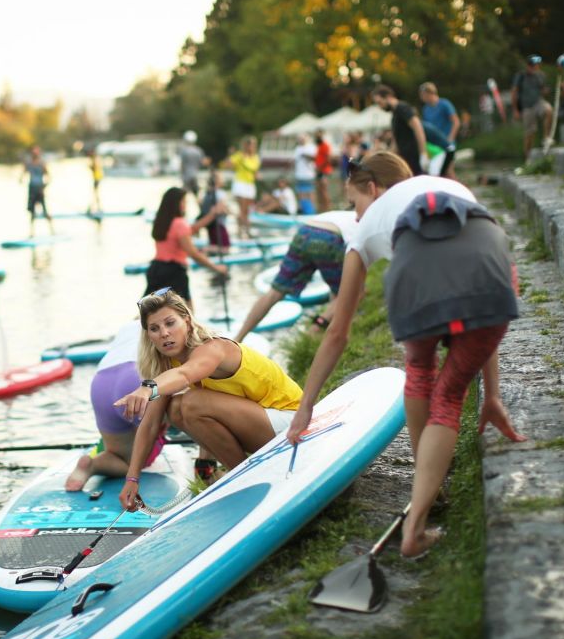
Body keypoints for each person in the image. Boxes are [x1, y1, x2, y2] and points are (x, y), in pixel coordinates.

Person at [285, 151, 526, 559]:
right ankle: (424, 500)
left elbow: (337, 333)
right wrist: (493, 395)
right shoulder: (446, 185)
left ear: (374, 189)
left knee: (421, 374)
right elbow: (479, 290)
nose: (356, 216)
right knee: (450, 393)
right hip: (493, 262)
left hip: (418, 272)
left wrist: (306, 404)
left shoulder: (363, 233)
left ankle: (423, 502)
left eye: (354, 204)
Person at [116, 289, 303, 511]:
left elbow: (186, 375)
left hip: (293, 422)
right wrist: (132, 479)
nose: (164, 333)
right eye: (154, 329)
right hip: (262, 426)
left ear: (186, 320)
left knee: (191, 402)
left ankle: (245, 480)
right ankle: (239, 476)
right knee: (175, 408)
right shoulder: (168, 365)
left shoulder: (213, 348)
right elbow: (149, 425)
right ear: (149, 336)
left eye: (170, 323)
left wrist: (147, 389)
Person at [65, 320, 173, 491]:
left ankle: (91, 465)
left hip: (101, 382)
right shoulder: (172, 322)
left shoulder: (127, 326)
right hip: (139, 376)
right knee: (139, 457)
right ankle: (206, 468)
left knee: (117, 456)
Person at [233, 209, 357, 343]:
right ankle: (317, 328)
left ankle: (238, 338)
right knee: (353, 292)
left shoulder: (347, 214)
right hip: (331, 237)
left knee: (274, 292)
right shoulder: (368, 222)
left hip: (305, 232)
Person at [144, 187, 228, 313]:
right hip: (174, 272)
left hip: (155, 270)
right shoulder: (180, 223)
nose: (185, 205)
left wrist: (212, 215)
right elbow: (193, 253)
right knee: (187, 312)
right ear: (175, 203)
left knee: (148, 311)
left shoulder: (162, 221)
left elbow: (192, 229)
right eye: (183, 202)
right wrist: (216, 268)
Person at [371, 85, 429, 176]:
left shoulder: (402, 108)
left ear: (388, 97)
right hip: (407, 161)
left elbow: (418, 127)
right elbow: (396, 142)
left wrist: (423, 153)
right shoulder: (395, 115)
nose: (380, 106)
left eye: (380, 102)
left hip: (415, 158)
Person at [511, 55, 553, 159]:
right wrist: (515, 110)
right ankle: (527, 158)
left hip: (538, 102)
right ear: (528, 66)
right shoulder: (521, 76)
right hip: (527, 107)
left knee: (548, 110)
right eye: (533, 65)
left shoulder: (540, 75)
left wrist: (546, 91)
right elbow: (514, 92)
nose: (535, 67)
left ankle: (546, 138)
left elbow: (542, 89)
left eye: (536, 65)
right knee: (530, 134)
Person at [419, 82, 460, 179]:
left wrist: (450, 138)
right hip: (436, 146)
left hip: (446, 143)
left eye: (423, 95)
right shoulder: (426, 109)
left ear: (429, 93)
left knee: (448, 171)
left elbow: (456, 122)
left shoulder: (444, 104)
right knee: (441, 172)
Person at [223, 136, 260, 238]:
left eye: (253, 145)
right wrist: (231, 156)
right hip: (240, 184)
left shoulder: (255, 157)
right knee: (242, 209)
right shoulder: (239, 155)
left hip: (250, 185)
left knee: (247, 210)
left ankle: (246, 230)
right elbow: (227, 164)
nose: (252, 147)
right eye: (250, 144)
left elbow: (254, 169)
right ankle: (242, 231)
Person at [23, 145, 53, 237]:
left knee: (45, 211)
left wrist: (44, 187)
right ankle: (32, 234)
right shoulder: (29, 164)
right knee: (32, 212)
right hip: (32, 189)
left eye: (36, 152)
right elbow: (23, 173)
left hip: (40, 189)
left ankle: (52, 231)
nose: (34, 154)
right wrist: (20, 179)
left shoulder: (42, 164)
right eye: (33, 153)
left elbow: (49, 177)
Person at [199, 169, 231, 250]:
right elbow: (221, 209)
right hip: (219, 225)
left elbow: (202, 206)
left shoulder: (207, 193)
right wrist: (229, 212)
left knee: (214, 245)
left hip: (210, 226)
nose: (223, 179)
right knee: (225, 248)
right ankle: (204, 250)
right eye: (221, 177)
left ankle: (205, 251)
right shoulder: (220, 193)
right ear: (217, 180)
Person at [179, 130, 208, 197]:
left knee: (184, 195)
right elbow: (203, 163)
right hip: (196, 175)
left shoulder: (184, 151)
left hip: (186, 176)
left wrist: (181, 175)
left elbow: (182, 165)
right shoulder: (199, 150)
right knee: (196, 195)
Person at [293, 134, 317, 214]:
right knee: (300, 193)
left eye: (302, 138)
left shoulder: (311, 147)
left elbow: (314, 158)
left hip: (309, 175)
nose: (301, 140)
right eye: (300, 139)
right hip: (299, 175)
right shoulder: (297, 148)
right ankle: (302, 210)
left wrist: (305, 155)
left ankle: (312, 211)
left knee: (310, 192)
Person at [313, 130, 333, 212]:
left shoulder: (325, 145)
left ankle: (328, 209)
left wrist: (320, 168)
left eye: (318, 136)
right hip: (319, 170)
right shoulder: (319, 146)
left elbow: (327, 158)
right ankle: (322, 208)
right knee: (319, 190)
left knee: (324, 190)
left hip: (324, 170)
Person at [88, 148, 104, 213]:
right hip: (97, 177)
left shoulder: (95, 159)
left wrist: (90, 167)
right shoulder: (96, 159)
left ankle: (97, 208)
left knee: (96, 193)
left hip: (97, 178)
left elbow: (94, 168)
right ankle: (95, 207)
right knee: (95, 193)